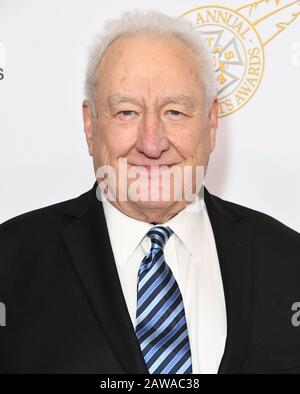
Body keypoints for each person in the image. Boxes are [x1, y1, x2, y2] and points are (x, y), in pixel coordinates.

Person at [0, 9, 299, 374]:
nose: (152, 143)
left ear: (211, 123)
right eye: (126, 112)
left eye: (174, 112)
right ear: (90, 125)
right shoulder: (9, 263)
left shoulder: (288, 262)